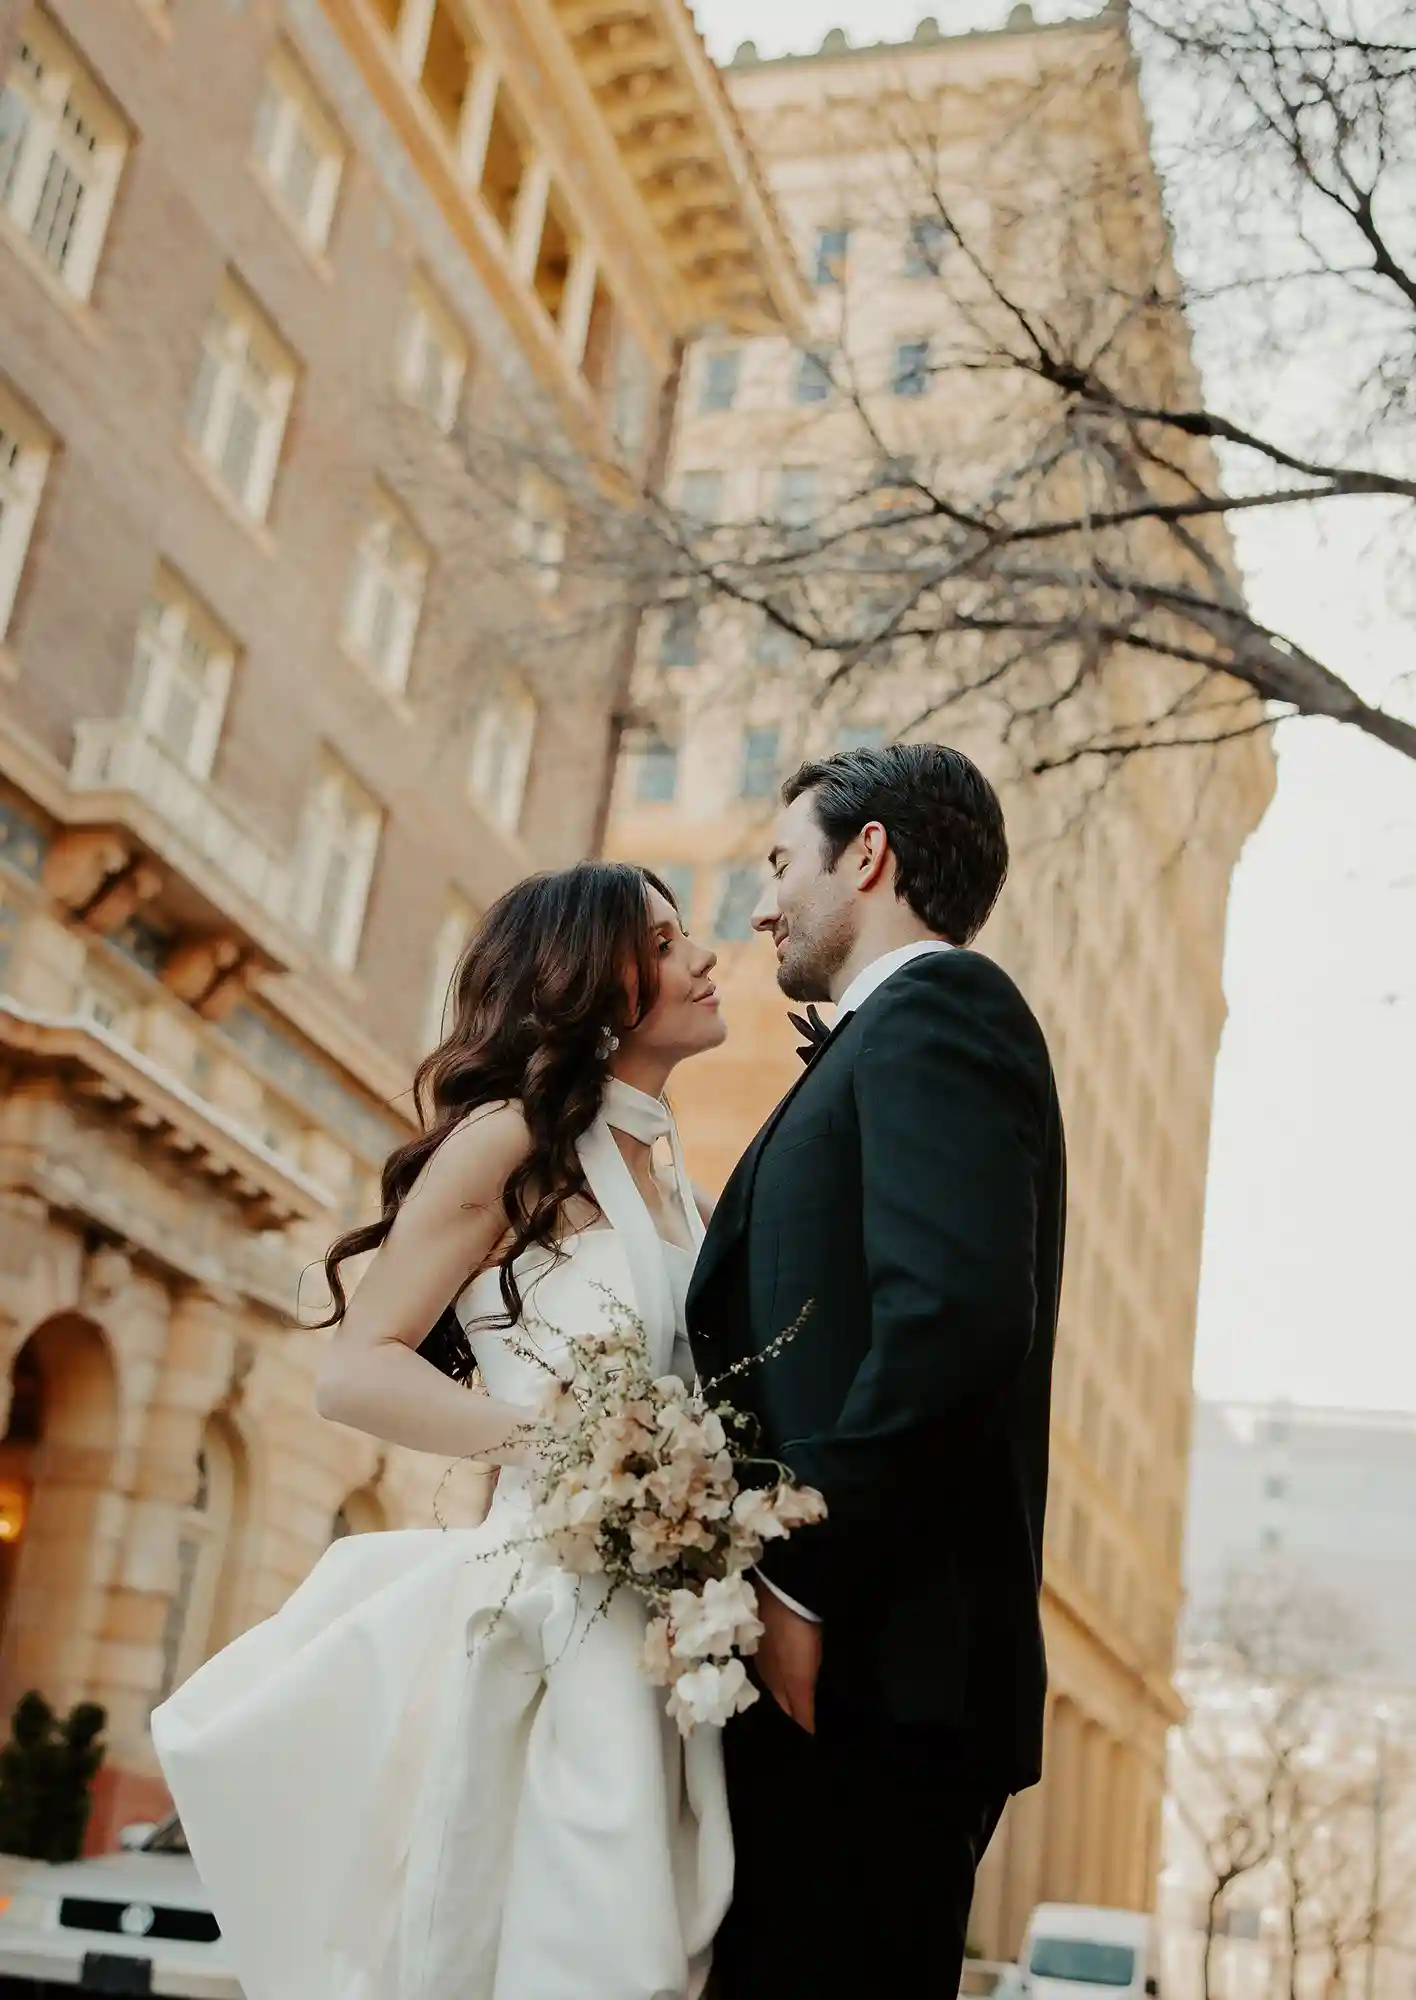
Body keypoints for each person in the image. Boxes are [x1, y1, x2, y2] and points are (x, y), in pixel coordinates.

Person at [152, 862, 734, 2000]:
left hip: (667, 1636)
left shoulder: (681, 1187)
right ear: (588, 978)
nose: (704, 957)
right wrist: (567, 1453)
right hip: (546, 1625)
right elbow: (355, 1371)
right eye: (666, 943)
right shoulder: (509, 1142)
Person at [688, 743, 1065, 1995]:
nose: (760, 904)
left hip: (871, 1670)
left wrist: (803, 1584)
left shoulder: (942, 1011)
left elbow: (952, 1321)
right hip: (845, 1675)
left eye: (782, 862)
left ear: (870, 853)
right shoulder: (887, 1037)